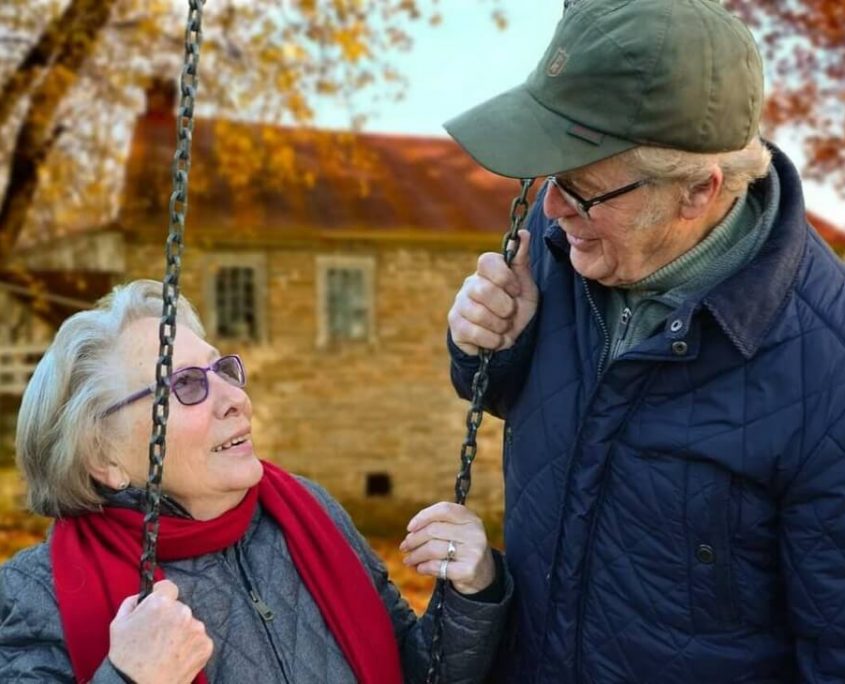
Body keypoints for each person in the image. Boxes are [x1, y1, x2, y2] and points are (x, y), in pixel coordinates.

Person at [444, 0, 845, 682]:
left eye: (581, 189)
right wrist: (486, 347)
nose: (551, 209)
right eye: (549, 178)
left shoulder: (826, 371)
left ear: (696, 192)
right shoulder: (561, 249)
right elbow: (533, 408)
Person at [0, 279, 511, 683]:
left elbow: (417, 671)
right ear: (102, 455)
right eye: (187, 386)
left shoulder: (307, 513)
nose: (234, 398)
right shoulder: (35, 594)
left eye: (222, 369)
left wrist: (470, 592)